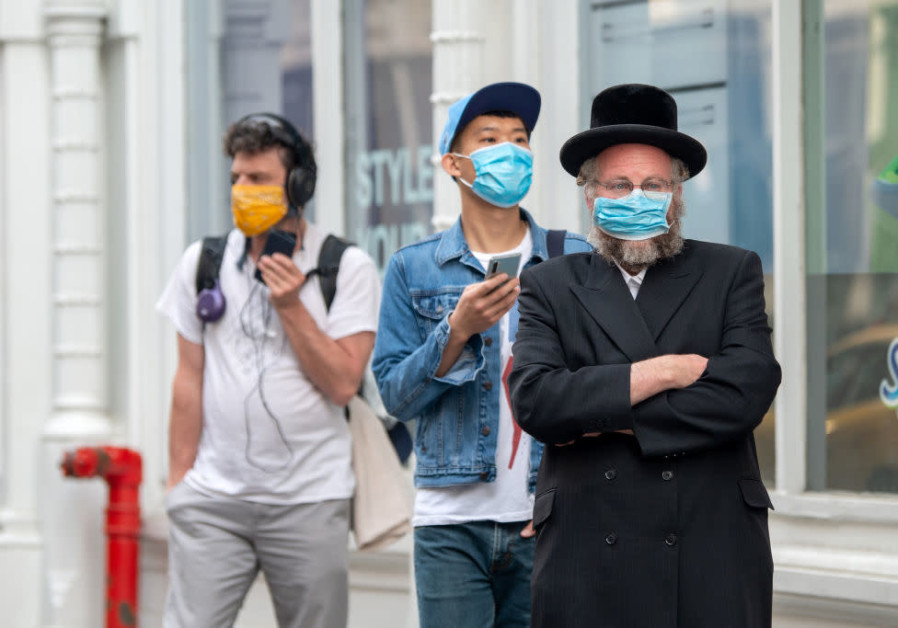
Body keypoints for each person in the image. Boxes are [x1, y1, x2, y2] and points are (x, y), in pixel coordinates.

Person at [508, 83, 782, 628]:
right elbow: (537, 402)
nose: (637, 197)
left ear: (678, 193)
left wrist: (603, 413)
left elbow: (746, 391)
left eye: (654, 184)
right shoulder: (547, 284)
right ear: (590, 193)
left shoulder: (731, 271)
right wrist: (662, 372)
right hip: (587, 554)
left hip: (710, 548)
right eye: (619, 184)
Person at [372, 82, 592, 628]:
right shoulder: (413, 268)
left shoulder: (574, 260)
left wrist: (571, 498)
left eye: (520, 140)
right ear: (455, 163)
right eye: (490, 139)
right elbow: (397, 396)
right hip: (449, 524)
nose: (511, 151)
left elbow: (596, 390)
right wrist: (456, 331)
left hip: (547, 517)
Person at [156, 112, 380, 628]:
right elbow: (188, 378)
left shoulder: (344, 267)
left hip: (309, 498)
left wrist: (292, 307)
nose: (242, 189)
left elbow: (344, 384)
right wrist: (179, 486)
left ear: (298, 185)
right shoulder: (202, 262)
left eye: (257, 179)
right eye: (236, 178)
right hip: (212, 499)